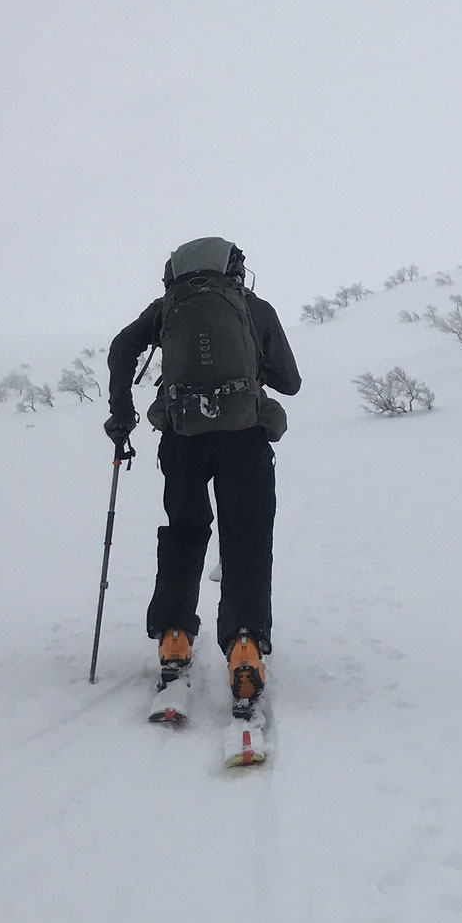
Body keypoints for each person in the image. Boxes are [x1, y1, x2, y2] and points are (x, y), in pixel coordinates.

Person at [103, 237, 300, 712]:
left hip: (182, 440)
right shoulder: (254, 308)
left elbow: (120, 349)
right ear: (233, 271)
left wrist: (122, 414)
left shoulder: (166, 308)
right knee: (247, 539)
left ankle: (174, 637)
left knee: (184, 534)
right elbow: (290, 382)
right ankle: (245, 646)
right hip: (245, 442)